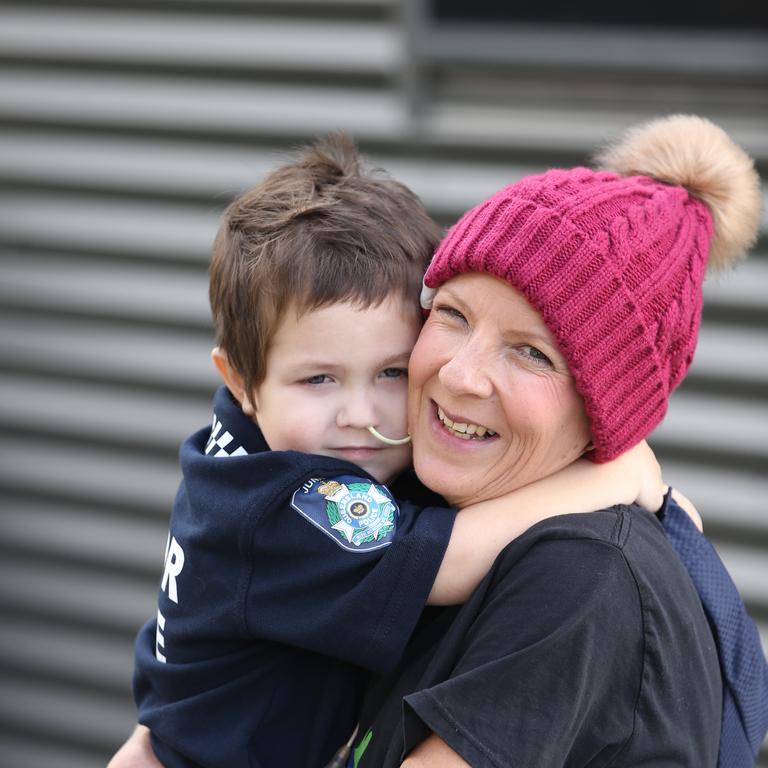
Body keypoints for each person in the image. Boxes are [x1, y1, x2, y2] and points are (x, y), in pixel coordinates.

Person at [120, 135, 663, 768]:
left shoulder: (245, 444)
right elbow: (450, 560)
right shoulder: (287, 501)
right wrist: (617, 475)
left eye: (392, 373)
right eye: (318, 379)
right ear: (240, 380)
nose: (360, 415)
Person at [350, 114, 767, 766]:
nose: (460, 375)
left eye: (532, 354)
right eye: (454, 314)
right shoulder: (440, 512)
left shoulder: (580, 580)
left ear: (607, 412)